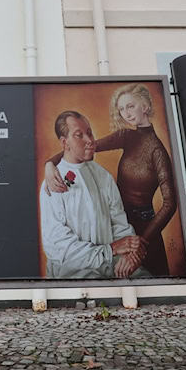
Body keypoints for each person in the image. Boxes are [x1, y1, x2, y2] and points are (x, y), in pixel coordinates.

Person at [44, 84, 177, 276]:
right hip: (116, 237)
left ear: (145, 106)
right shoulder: (125, 137)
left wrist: (138, 247)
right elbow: (85, 147)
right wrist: (49, 164)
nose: (126, 113)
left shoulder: (157, 151)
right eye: (121, 109)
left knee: (147, 284)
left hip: (145, 231)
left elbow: (170, 203)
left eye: (130, 106)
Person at [39, 110, 148, 279]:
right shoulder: (52, 183)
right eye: (79, 135)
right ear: (64, 142)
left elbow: (119, 224)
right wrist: (110, 250)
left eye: (89, 132)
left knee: (144, 278)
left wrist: (129, 254)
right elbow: (59, 246)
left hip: (111, 263)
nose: (90, 140)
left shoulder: (103, 176)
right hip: (74, 271)